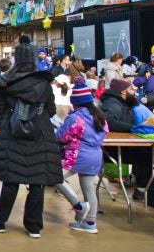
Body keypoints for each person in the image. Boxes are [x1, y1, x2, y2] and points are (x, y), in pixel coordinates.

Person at [0, 35, 62, 238]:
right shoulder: (44, 84)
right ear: (33, 59)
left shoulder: (5, 83)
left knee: (9, 179)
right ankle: (34, 227)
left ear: (16, 58)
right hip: (40, 135)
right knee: (37, 182)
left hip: (13, 134)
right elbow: (50, 110)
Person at [100, 78, 154, 209]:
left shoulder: (120, 102)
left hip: (119, 147)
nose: (134, 90)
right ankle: (151, 194)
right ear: (123, 91)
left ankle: (143, 190)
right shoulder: (113, 103)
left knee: (146, 152)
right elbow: (109, 122)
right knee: (145, 155)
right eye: (131, 88)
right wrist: (133, 128)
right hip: (112, 150)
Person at [53, 83, 108, 233]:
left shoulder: (76, 117)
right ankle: (90, 223)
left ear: (75, 102)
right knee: (89, 189)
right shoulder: (100, 116)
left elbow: (61, 137)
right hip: (96, 156)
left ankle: (78, 206)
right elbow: (105, 133)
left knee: (55, 176)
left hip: (77, 155)